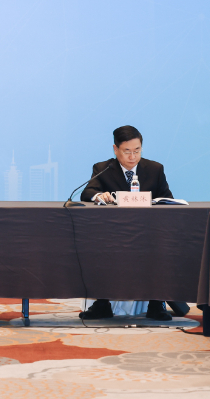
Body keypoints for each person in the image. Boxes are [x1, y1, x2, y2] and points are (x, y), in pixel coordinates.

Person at [79, 125, 176, 322]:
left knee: (162, 247)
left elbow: (167, 198)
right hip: (114, 233)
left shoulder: (155, 169)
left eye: (137, 150)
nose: (133, 157)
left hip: (148, 232)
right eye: (127, 151)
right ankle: (102, 304)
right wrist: (99, 195)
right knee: (97, 247)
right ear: (116, 150)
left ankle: (156, 304)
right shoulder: (103, 168)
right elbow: (87, 193)